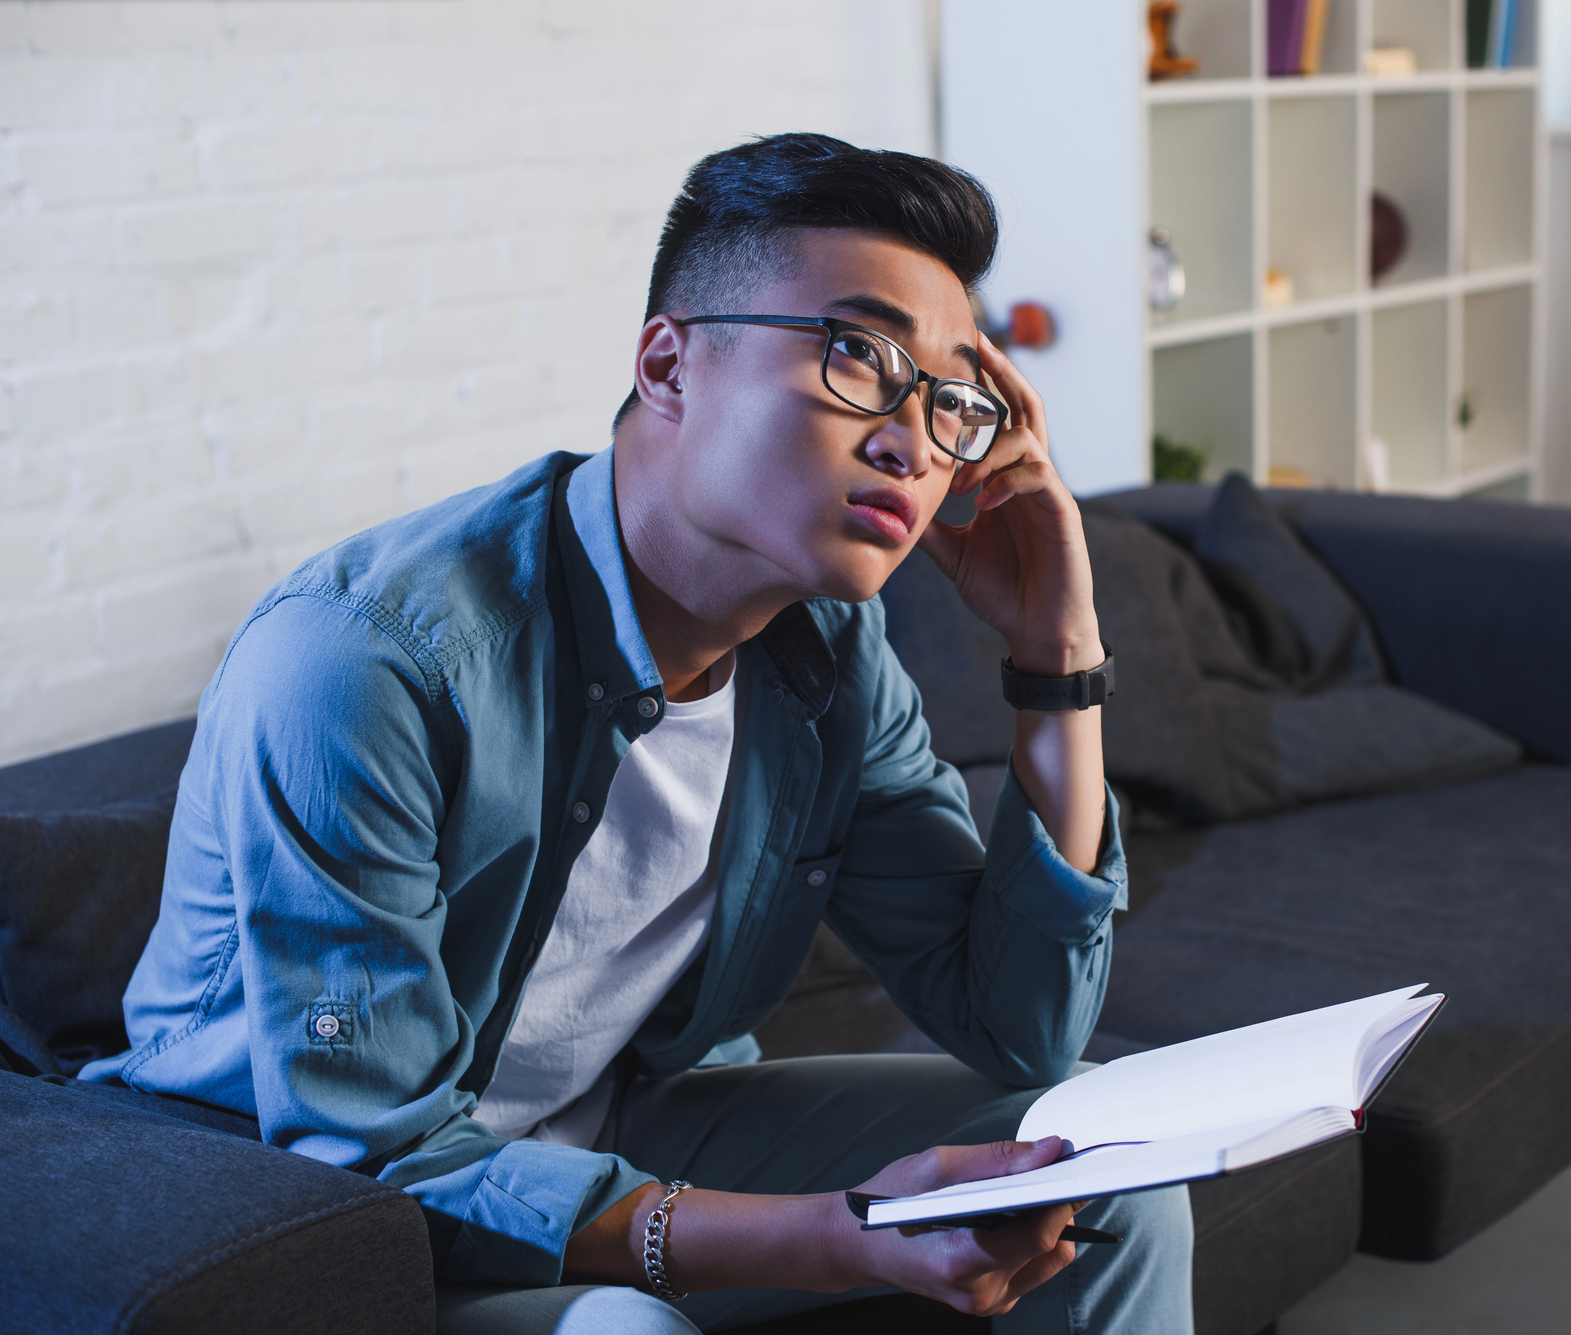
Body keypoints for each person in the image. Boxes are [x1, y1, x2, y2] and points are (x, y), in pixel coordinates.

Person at [82, 132, 1195, 1333]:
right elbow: (373, 1147)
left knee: (1103, 1173)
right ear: (667, 364)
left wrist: (1057, 658)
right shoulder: (360, 661)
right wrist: (840, 1236)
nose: (910, 442)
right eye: (860, 358)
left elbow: (1022, 1025)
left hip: (620, 1121)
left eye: (950, 403)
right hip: (294, 1221)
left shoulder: (822, 654)